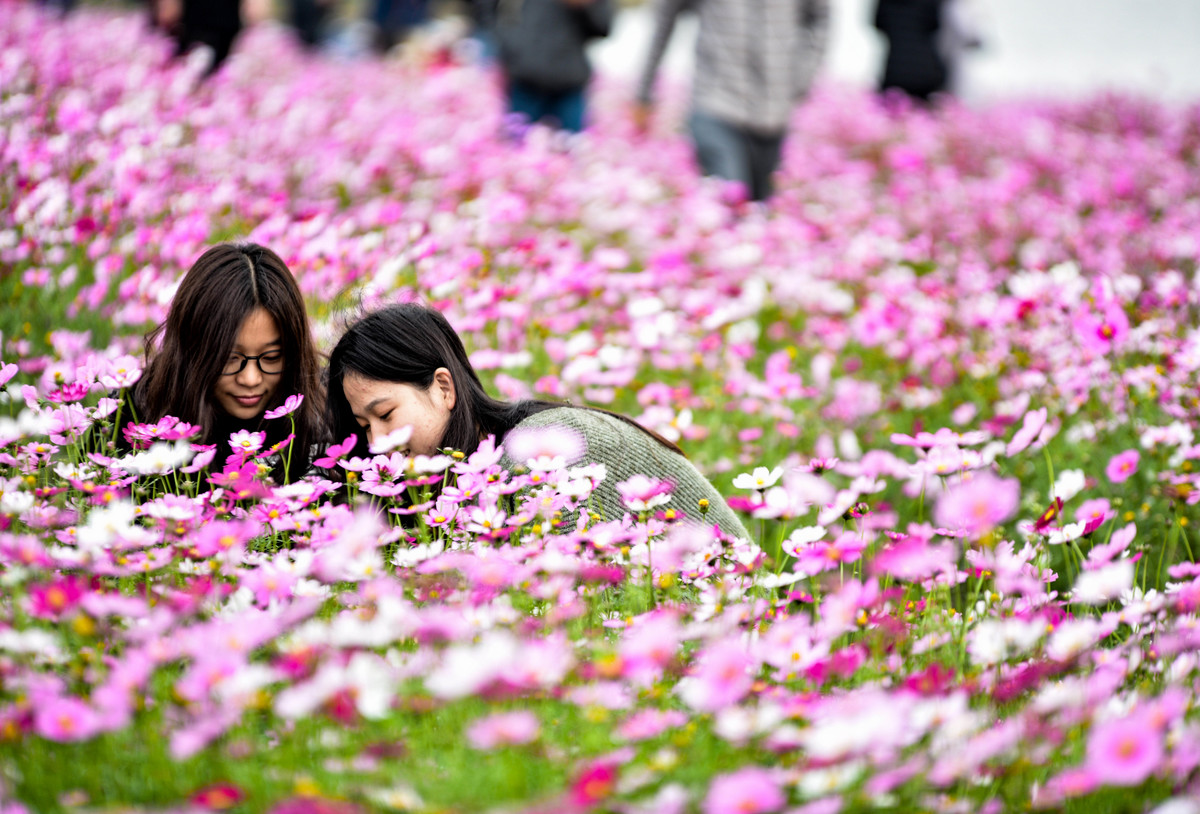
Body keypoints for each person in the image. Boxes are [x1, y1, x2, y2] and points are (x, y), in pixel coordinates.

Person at [326, 303, 749, 538]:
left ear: (444, 388)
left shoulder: (536, 456)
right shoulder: (480, 469)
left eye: (385, 414)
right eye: (364, 427)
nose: (377, 442)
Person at [121, 243, 326, 482]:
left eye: (270, 358)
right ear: (193, 350)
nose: (251, 379)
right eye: (230, 359)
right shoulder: (134, 414)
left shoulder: (323, 415)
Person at [635, 0, 831, 202]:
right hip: (716, 104)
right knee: (729, 201)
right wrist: (644, 93)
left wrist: (803, 77)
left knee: (760, 209)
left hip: (774, 111)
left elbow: (821, 18)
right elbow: (665, 18)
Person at [489, 0, 614, 134]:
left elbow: (603, 28)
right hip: (526, 80)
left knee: (570, 146)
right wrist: (511, 47)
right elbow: (494, 11)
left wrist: (586, 7)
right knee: (518, 144)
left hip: (569, 83)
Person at [873, 0, 948, 104]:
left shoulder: (887, 3)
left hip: (894, 67)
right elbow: (935, 26)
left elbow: (878, 24)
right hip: (925, 68)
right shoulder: (929, 2)